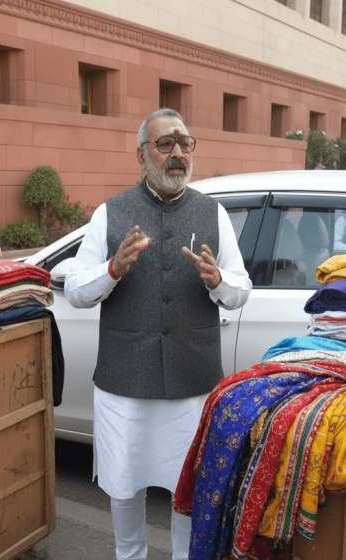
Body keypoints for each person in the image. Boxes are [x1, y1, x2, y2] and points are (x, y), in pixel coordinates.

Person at [64, 108, 252, 560]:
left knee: (187, 492)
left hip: (192, 385)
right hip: (125, 385)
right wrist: (112, 269)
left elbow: (241, 289)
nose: (177, 154)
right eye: (165, 144)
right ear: (142, 154)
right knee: (123, 487)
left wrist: (217, 280)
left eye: (184, 144)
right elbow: (73, 291)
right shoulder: (111, 213)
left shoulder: (213, 212)